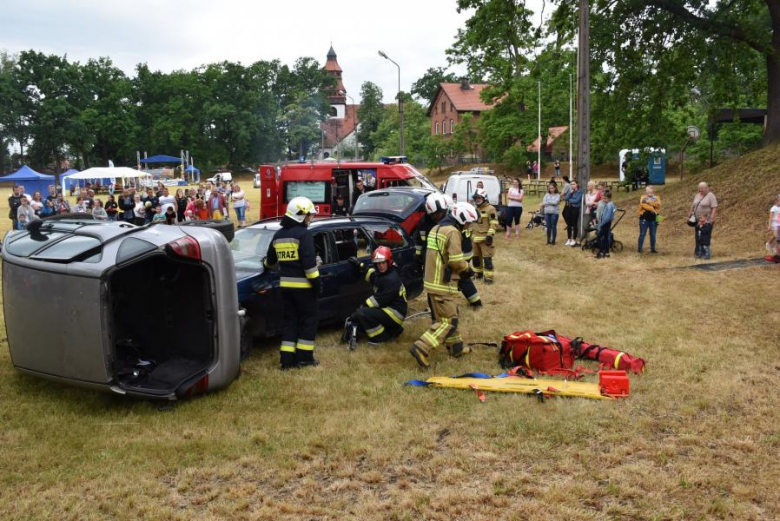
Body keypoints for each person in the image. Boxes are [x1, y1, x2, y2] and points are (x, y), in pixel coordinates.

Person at [410, 202, 478, 368]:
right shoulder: (453, 232)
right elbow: (455, 260)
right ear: (461, 219)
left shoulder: (436, 228)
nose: (468, 226)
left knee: (447, 316)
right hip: (443, 284)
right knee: (449, 322)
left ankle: (456, 348)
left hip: (431, 282)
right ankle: (422, 347)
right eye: (468, 222)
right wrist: (467, 269)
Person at [264, 196, 321, 370]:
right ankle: (304, 359)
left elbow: (270, 262)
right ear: (300, 215)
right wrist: (317, 285)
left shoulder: (278, 235)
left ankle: (287, 361)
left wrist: (267, 265)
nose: (310, 219)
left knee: (290, 322)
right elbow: (309, 266)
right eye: (308, 215)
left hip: (286, 289)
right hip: (304, 289)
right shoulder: (304, 235)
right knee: (308, 321)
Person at [343, 247, 408, 348]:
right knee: (363, 313)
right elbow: (373, 277)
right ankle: (393, 330)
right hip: (389, 309)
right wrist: (360, 265)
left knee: (363, 313)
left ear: (388, 261)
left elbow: (375, 302)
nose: (381, 266)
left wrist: (358, 311)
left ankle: (381, 338)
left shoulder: (391, 280)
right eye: (378, 263)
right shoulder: (385, 273)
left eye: (383, 263)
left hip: (395, 315)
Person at [471, 188, 498, 283]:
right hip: (475, 239)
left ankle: (488, 278)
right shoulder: (474, 209)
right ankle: (478, 274)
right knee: (476, 259)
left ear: (484, 198)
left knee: (487, 260)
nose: (477, 199)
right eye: (475, 198)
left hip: (485, 239)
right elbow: (472, 223)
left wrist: (490, 235)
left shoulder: (490, 209)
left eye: (479, 197)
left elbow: (494, 222)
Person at [688, 182, 717, 260]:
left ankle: (705, 253)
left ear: (707, 188)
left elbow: (714, 207)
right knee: (697, 236)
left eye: (702, 188)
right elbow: (693, 205)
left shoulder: (711, 196)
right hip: (698, 220)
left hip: (706, 221)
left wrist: (712, 218)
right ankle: (698, 252)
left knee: (705, 237)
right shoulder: (697, 195)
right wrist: (689, 214)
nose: (700, 190)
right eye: (699, 188)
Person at [637, 186, 661, 254]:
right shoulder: (642, 197)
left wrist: (649, 202)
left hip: (654, 219)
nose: (649, 193)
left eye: (650, 191)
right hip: (644, 219)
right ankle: (639, 249)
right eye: (647, 191)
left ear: (653, 191)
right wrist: (653, 207)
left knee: (653, 234)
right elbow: (644, 205)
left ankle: (653, 249)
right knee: (642, 234)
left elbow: (659, 205)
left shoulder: (657, 197)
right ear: (645, 192)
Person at [595, 190, 615, 259]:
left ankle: (601, 251)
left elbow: (608, 217)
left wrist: (602, 224)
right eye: (602, 198)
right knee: (605, 238)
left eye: (605, 198)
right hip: (605, 223)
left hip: (605, 224)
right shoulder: (609, 204)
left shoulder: (609, 205)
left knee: (599, 237)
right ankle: (606, 252)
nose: (603, 200)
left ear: (609, 198)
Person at [563, 180, 583, 246]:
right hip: (569, 208)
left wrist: (569, 200)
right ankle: (569, 239)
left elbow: (577, 200)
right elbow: (565, 198)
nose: (572, 185)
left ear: (577, 184)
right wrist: (570, 193)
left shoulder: (580, 191)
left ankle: (574, 239)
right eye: (571, 184)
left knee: (574, 224)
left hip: (575, 209)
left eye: (573, 184)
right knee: (569, 224)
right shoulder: (571, 191)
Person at [766, 194, 780, 261]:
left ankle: (771, 244)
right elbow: (770, 217)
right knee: (776, 236)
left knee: (777, 236)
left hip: (779, 223)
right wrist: (769, 225)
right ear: (777, 201)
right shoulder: (773, 208)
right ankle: (770, 244)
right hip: (774, 224)